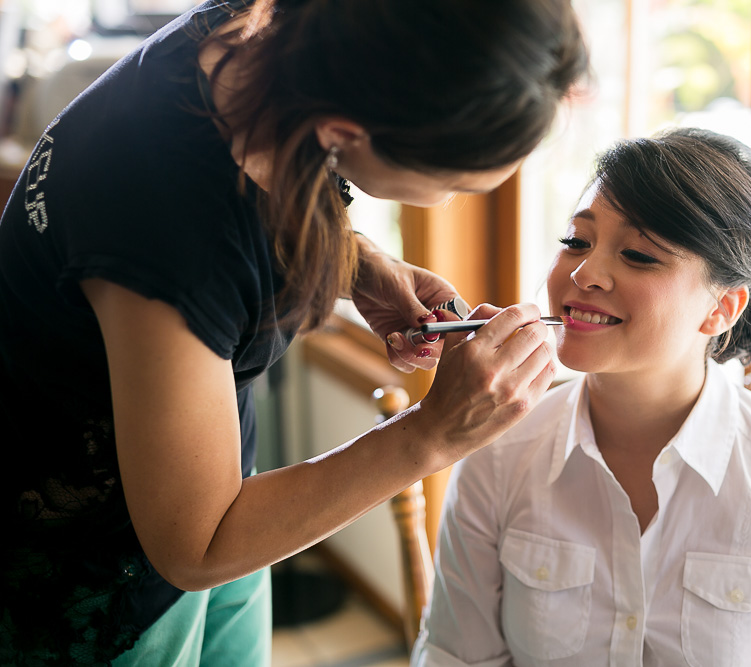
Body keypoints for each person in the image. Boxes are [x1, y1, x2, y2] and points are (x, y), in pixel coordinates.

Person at [0, 0, 588, 663]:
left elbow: (258, 188)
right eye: (453, 181)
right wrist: (431, 432)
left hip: (224, 496)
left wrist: (359, 263)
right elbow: (200, 543)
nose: (455, 198)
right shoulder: (169, 232)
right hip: (97, 566)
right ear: (344, 132)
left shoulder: (280, 37)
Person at [412, 128, 751, 667]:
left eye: (638, 255)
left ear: (721, 309)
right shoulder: (498, 450)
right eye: (576, 241)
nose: (585, 273)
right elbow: (457, 656)